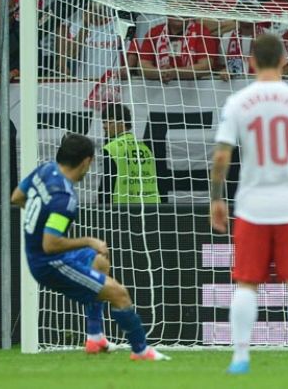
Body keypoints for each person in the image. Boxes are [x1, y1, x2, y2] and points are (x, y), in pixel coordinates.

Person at [210, 34, 288, 375]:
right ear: (284, 60)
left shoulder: (238, 101)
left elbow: (221, 156)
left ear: (251, 61)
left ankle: (240, 358)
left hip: (251, 206)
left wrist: (216, 198)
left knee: (246, 282)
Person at [10, 134, 169, 360]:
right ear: (86, 161)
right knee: (120, 295)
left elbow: (17, 197)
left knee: (99, 259)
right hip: (49, 263)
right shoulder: (64, 198)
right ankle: (141, 351)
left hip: (39, 254)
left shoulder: (44, 170)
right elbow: (51, 244)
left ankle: (95, 337)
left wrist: (39, 220)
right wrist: (88, 240)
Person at [99, 103, 160, 204]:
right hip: (151, 205)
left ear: (122, 123)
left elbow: (107, 185)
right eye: (104, 122)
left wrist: (102, 206)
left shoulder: (112, 148)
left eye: (109, 122)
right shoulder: (145, 148)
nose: (104, 126)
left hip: (122, 206)